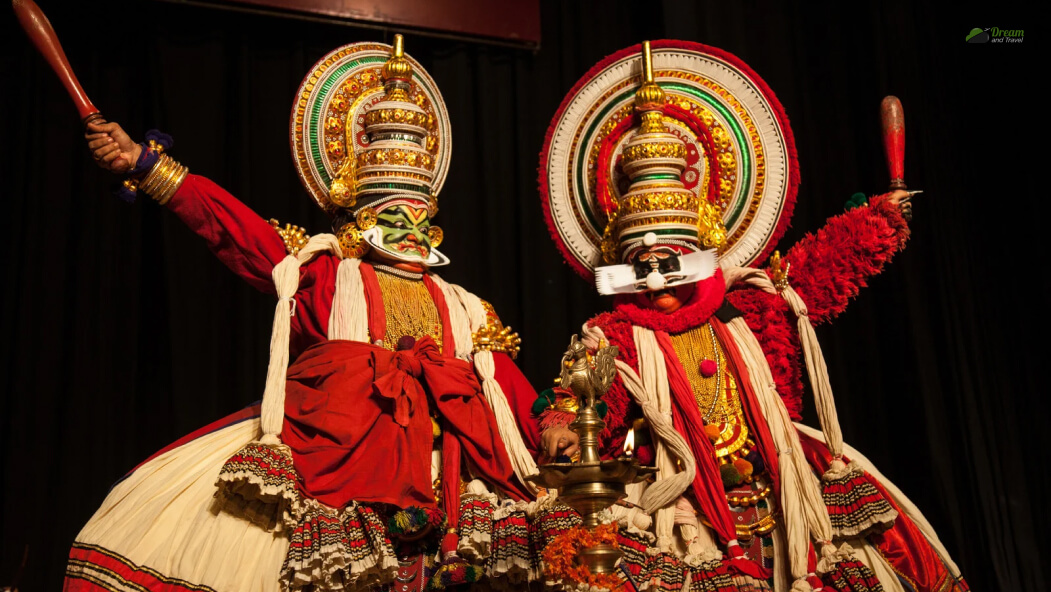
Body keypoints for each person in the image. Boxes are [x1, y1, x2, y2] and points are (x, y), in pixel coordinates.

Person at [64, 37, 546, 592]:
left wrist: (558, 426)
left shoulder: (465, 306)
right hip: (336, 468)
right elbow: (235, 231)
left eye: (419, 219)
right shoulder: (323, 274)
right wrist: (149, 165)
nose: (409, 232)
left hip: (452, 488)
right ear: (360, 217)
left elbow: (506, 392)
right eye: (393, 216)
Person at [534, 41, 967, 592]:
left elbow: (822, 266)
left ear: (701, 252)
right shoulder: (616, 336)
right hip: (685, 511)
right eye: (640, 267)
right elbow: (576, 398)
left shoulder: (753, 304)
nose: (657, 279)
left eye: (671, 262)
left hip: (787, 491)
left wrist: (877, 219)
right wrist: (562, 428)